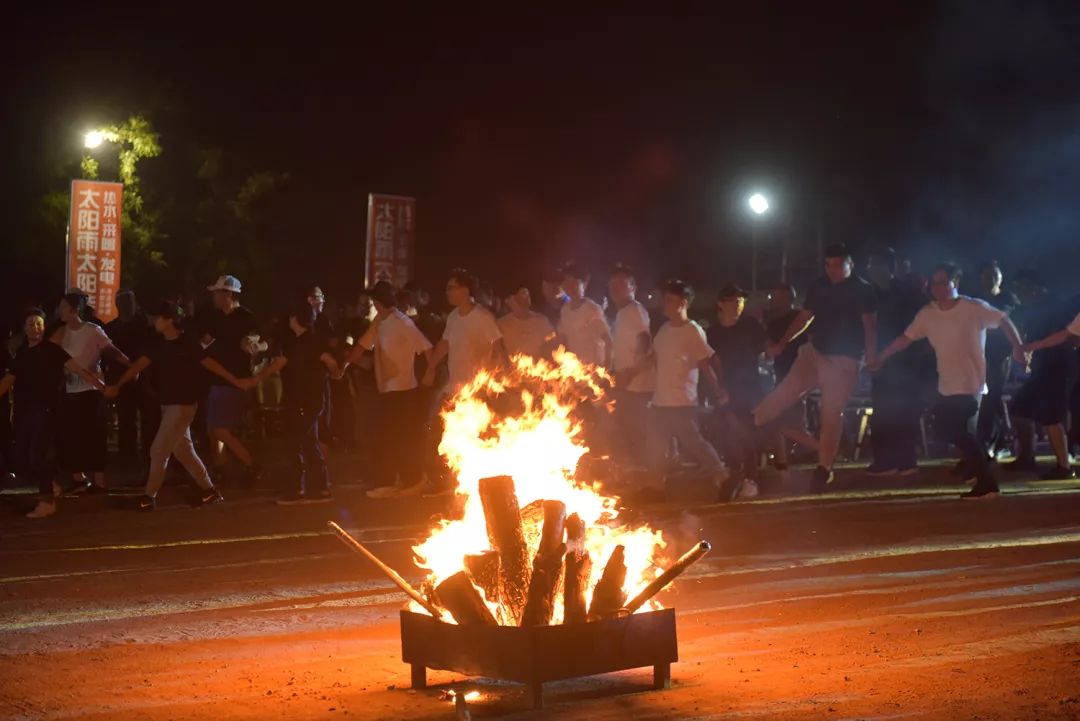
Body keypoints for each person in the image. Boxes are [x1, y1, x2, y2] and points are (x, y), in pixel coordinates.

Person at [873, 263, 1027, 499]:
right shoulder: (928, 314)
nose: (939, 288)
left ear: (955, 282)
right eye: (935, 283)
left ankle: (986, 480)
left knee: (958, 431)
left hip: (971, 382)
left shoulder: (973, 307)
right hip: (947, 384)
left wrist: (1018, 347)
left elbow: (1003, 320)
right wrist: (881, 357)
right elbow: (906, 338)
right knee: (950, 431)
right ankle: (980, 473)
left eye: (944, 282)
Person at [754, 244, 878, 491]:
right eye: (829, 265)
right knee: (783, 393)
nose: (832, 270)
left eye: (838, 265)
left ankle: (824, 468)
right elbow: (804, 318)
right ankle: (751, 422)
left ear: (850, 265)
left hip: (844, 358)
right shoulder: (819, 286)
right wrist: (781, 344)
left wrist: (871, 356)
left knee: (831, 412)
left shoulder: (863, 290)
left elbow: (869, 325)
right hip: (814, 351)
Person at [104, 302, 241, 510]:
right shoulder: (157, 343)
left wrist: (235, 380)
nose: (153, 321)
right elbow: (140, 364)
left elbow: (208, 362)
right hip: (168, 405)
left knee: (159, 450)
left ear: (168, 320)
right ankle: (210, 491)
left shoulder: (187, 342)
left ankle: (148, 497)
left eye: (157, 317)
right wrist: (119, 384)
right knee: (183, 450)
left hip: (183, 405)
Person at [0, 309, 104, 519]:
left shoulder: (52, 350)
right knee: (18, 457)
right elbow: (8, 380)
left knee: (37, 455)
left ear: (44, 327)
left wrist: (100, 385)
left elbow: (76, 368)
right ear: (24, 328)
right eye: (31, 324)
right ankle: (50, 483)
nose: (35, 327)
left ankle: (47, 501)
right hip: (24, 412)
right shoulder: (22, 353)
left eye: (39, 323)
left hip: (46, 411)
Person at [252, 302, 346, 504]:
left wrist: (254, 379)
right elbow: (330, 361)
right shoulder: (314, 341)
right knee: (308, 440)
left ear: (295, 319)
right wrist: (337, 373)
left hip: (301, 400)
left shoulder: (299, 343)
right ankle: (318, 488)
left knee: (294, 441)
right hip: (312, 399)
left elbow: (279, 363)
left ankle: (296, 489)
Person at [422, 269, 506, 494]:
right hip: (453, 389)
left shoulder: (483, 317)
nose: (447, 292)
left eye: (451, 287)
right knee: (436, 434)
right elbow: (445, 344)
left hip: (475, 393)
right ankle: (444, 481)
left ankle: (475, 483)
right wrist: (430, 368)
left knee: (475, 437)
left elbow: (500, 349)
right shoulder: (454, 317)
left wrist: (503, 379)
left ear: (465, 290)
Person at [646, 280, 731, 501]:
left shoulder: (693, 331)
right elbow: (653, 360)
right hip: (660, 401)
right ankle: (656, 489)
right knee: (658, 447)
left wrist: (718, 390)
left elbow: (705, 364)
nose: (664, 304)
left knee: (695, 444)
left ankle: (723, 478)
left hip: (682, 402)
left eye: (669, 299)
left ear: (683, 302)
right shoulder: (663, 330)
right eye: (664, 299)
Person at [349, 281, 433, 499]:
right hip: (387, 390)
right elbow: (361, 347)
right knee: (387, 436)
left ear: (378, 303)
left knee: (402, 436)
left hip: (404, 391)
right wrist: (344, 364)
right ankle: (393, 481)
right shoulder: (381, 321)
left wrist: (430, 374)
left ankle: (413, 479)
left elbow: (426, 347)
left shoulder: (402, 322)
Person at [51, 291, 131, 493]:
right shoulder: (62, 333)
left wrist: (131, 366)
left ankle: (99, 482)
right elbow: (49, 354)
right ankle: (78, 478)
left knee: (94, 435)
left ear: (73, 309)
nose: (59, 311)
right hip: (71, 391)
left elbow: (112, 351)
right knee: (71, 435)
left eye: (62, 307)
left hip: (92, 390)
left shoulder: (92, 330)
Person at [1007, 271, 1078, 479]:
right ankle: (1027, 457)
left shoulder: (1056, 306)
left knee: (1051, 416)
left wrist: (1031, 346)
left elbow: (1065, 336)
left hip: (1060, 367)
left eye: (1021, 288)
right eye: (1016, 289)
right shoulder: (1030, 308)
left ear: (1035, 288)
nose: (1018, 293)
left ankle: (1064, 467)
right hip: (1043, 368)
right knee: (1020, 407)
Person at [864, 247, 928, 476]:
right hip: (879, 363)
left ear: (888, 267)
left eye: (876, 265)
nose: (871, 269)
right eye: (870, 265)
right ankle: (884, 460)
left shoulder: (908, 293)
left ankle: (906, 459)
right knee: (882, 410)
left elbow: (919, 327)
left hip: (907, 362)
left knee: (906, 410)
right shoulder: (868, 294)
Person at [201, 275, 263, 485]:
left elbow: (259, 344)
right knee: (213, 428)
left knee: (220, 429)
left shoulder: (246, 318)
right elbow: (205, 342)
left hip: (236, 379)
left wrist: (253, 345)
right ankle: (219, 467)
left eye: (217, 292)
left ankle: (252, 464)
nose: (214, 297)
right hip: (216, 378)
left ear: (228, 294)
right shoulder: (215, 318)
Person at [707, 282, 766, 498]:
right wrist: (717, 389)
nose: (738, 305)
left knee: (747, 435)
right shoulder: (712, 333)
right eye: (732, 300)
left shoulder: (751, 325)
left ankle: (751, 480)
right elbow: (711, 363)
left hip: (750, 389)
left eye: (741, 300)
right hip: (725, 391)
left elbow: (766, 350)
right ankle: (732, 478)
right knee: (726, 435)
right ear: (720, 304)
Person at [608, 263, 655, 468]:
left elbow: (644, 341)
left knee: (639, 434)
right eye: (612, 284)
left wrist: (632, 372)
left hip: (637, 386)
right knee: (628, 434)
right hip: (626, 383)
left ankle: (648, 482)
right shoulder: (621, 313)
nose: (615, 288)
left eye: (622, 283)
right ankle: (637, 478)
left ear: (633, 287)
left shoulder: (634, 310)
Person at [973, 261, 1020, 459]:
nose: (989, 280)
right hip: (979, 356)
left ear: (1000, 278)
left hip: (1000, 357)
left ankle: (991, 443)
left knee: (991, 398)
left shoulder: (1007, 299)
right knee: (984, 400)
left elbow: (1004, 320)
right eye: (985, 276)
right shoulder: (978, 300)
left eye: (993, 276)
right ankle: (997, 440)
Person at [104, 290, 158, 463]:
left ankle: (148, 452)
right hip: (121, 378)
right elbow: (109, 353)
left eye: (130, 302)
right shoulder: (111, 328)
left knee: (148, 417)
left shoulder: (145, 326)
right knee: (126, 416)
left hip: (145, 376)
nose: (128, 306)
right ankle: (127, 452)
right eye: (124, 302)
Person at [556, 263, 611, 367]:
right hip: (575, 369)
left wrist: (606, 368)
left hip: (593, 368)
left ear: (584, 285)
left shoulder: (592, 309)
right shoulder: (565, 311)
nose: (571, 288)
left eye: (575, 283)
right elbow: (563, 340)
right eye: (567, 284)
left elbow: (608, 341)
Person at [498, 282, 555, 359]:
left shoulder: (541, 320)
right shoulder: (502, 325)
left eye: (527, 293)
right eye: (521, 293)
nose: (526, 297)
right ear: (508, 300)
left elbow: (553, 343)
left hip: (542, 368)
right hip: (517, 369)